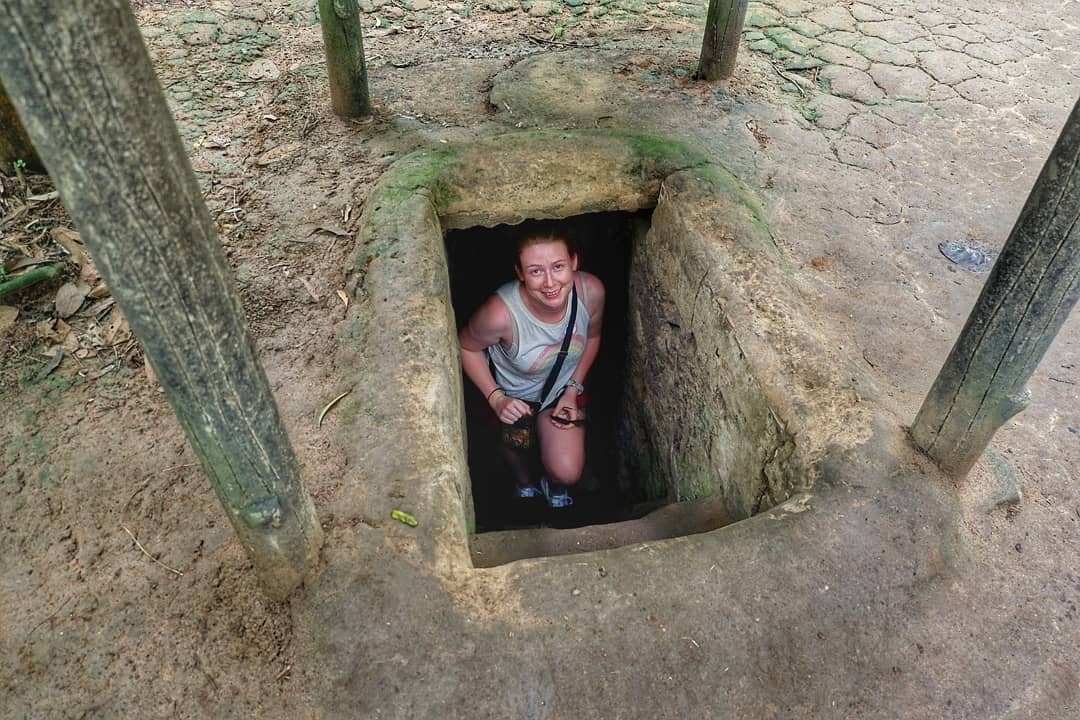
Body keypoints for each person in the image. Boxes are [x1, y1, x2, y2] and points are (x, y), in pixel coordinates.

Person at [459, 231, 605, 508]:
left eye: (558, 267)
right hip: (514, 399)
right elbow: (466, 347)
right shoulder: (499, 314)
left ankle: (554, 484)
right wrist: (497, 398)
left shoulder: (590, 293)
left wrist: (572, 391)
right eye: (536, 271)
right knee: (516, 443)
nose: (550, 282)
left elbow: (594, 337)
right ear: (520, 273)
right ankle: (525, 485)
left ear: (574, 261)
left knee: (567, 471)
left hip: (562, 392)